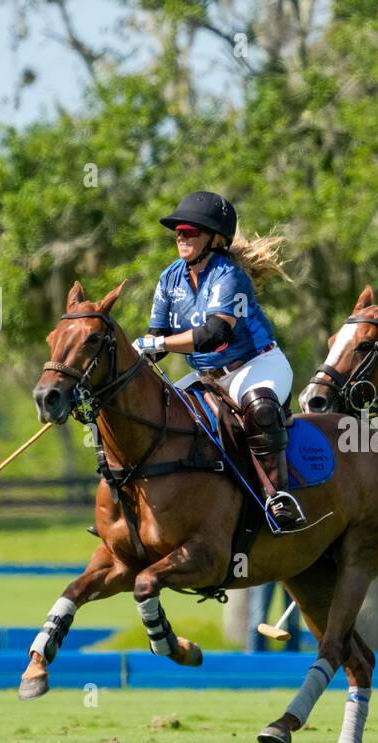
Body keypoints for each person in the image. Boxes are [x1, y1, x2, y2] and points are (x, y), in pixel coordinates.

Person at [133, 191, 303, 530]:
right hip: (208, 375)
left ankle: (279, 496)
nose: (181, 236)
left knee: (261, 409)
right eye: (178, 231)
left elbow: (214, 334)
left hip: (256, 364)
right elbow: (159, 337)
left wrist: (156, 342)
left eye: (190, 230)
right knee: (157, 414)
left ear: (216, 238)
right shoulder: (169, 278)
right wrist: (139, 352)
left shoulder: (230, 276)